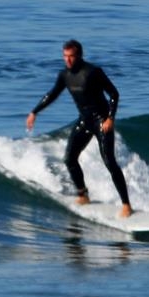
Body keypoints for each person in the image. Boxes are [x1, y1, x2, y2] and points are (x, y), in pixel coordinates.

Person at [25, 39, 132, 217]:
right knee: (69, 158)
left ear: (79, 56)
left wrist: (110, 119)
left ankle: (126, 205)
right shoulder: (64, 75)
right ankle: (83, 194)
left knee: (109, 162)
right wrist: (34, 112)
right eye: (65, 56)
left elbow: (114, 93)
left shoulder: (93, 72)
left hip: (102, 122)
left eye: (71, 56)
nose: (67, 60)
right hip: (84, 121)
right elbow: (52, 94)